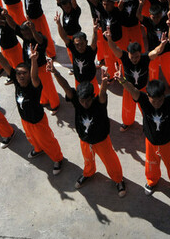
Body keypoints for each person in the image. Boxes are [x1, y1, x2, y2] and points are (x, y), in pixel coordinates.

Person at [49, 59, 127, 197]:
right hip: (84, 139)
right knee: (88, 160)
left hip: (101, 140)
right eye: (82, 101)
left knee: (111, 162)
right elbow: (66, 86)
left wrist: (103, 83)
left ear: (93, 97)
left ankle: (118, 180)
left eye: (88, 100)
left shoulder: (99, 103)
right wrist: (55, 72)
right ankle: (88, 173)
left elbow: (103, 95)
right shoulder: (77, 100)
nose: (84, 104)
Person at [0, 37, 65, 172]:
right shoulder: (17, 82)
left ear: (28, 75)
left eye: (24, 73)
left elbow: (35, 76)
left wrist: (34, 61)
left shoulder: (34, 86)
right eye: (18, 73)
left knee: (48, 141)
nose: (21, 76)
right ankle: (38, 149)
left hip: (38, 121)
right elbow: (5, 64)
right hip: (26, 120)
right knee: (32, 139)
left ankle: (57, 158)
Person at [120, 68, 170, 196]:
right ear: (148, 96)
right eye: (154, 101)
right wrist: (122, 80)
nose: (157, 104)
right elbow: (132, 90)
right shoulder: (143, 100)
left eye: (160, 100)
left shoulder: (169, 101)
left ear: (163, 96)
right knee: (151, 164)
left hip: (168, 142)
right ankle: (152, 181)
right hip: (151, 142)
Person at [105, 29, 169, 131]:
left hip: (143, 89)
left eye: (137, 57)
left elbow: (156, 51)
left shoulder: (145, 58)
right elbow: (114, 47)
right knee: (127, 108)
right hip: (129, 89)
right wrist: (109, 39)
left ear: (141, 53)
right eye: (132, 57)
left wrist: (162, 44)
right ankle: (127, 122)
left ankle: (149, 122)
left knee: (146, 108)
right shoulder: (124, 57)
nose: (135, 59)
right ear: (128, 54)